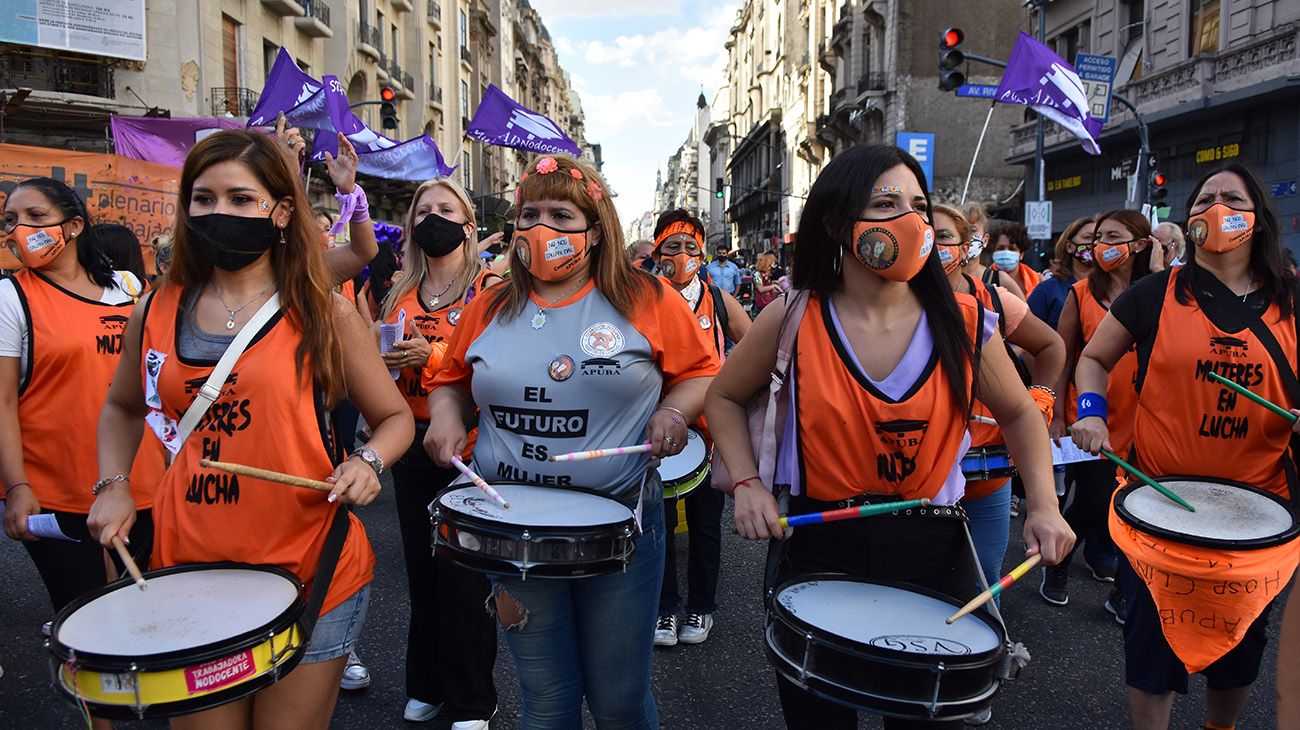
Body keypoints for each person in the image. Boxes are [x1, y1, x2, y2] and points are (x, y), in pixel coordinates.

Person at [707, 145, 1074, 730]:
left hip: (931, 547)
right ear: (837, 225)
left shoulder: (964, 320)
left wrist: (1045, 508)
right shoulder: (793, 315)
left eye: (918, 205)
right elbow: (722, 395)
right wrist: (749, 484)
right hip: (819, 541)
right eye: (885, 203)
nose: (911, 220)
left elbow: (1020, 414)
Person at [88, 129, 414, 729]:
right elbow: (122, 407)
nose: (220, 213)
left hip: (311, 566)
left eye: (241, 199)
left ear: (281, 211)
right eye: (203, 198)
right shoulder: (155, 307)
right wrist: (111, 483)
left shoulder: (325, 311)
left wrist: (368, 465)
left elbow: (395, 419)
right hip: (189, 567)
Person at [425, 154, 718, 729]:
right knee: (546, 699)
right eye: (529, 212)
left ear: (596, 225)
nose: (542, 228)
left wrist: (674, 411)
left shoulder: (647, 298)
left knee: (618, 702)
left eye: (561, 213)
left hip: (620, 526)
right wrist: (444, 418)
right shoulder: (488, 304)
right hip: (511, 529)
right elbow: (450, 382)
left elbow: (703, 373)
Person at [1073, 163, 1297, 730]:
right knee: (1150, 647)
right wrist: (1092, 414)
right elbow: (1094, 360)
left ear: (1259, 219)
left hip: (1261, 514)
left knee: (1243, 644)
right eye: (1203, 200)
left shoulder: (1293, 299)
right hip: (1156, 503)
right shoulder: (1153, 295)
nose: (1214, 209)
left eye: (1231, 198)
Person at [0, 179, 165, 694]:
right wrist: (17, 487)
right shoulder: (10, 296)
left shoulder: (128, 288)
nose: (17, 230)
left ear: (72, 227)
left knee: (150, 618)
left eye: (32, 216)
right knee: (87, 626)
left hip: (145, 483)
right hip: (58, 489)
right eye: (9, 220)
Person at [378, 177, 502, 727]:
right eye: (423, 209)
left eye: (445, 208)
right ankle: (425, 681)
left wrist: (432, 356)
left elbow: (494, 368)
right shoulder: (397, 290)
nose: (433, 216)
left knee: (466, 580)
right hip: (411, 449)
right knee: (422, 572)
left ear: (468, 225)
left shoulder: (490, 288)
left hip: (469, 453)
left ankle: (473, 697)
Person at [933, 204, 1065, 602]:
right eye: (928, 234)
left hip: (986, 471)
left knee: (982, 584)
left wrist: (1040, 398)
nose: (935, 245)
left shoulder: (993, 299)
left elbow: (1051, 346)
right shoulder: (889, 306)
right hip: (921, 479)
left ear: (968, 246)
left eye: (945, 237)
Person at [1044, 210, 1161, 616]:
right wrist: (1058, 414)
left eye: (1114, 236)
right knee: (1094, 501)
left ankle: (1123, 593)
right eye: (1097, 237)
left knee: (1137, 511)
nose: (1101, 245)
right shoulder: (1080, 293)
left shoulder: (1159, 294)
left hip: (1144, 423)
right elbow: (1062, 358)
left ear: (1142, 245)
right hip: (1091, 421)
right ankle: (1057, 560)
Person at [648, 209, 749, 649]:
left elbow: (757, 346)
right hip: (656, 433)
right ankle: (665, 608)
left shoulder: (719, 302)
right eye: (673, 246)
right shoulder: (641, 297)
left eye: (692, 247)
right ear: (656, 251)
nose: (683, 255)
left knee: (707, 526)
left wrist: (733, 386)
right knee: (661, 522)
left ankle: (701, 607)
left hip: (710, 434)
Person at [1027, 216, 1096, 331]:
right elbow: (1027, 334)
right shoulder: (1048, 290)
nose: (1094, 243)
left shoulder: (1112, 288)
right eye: (1088, 237)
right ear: (1069, 246)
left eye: (1098, 238)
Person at [988, 220, 1041, 297]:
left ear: (1021, 255)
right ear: (993, 252)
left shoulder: (1037, 280)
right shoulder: (984, 279)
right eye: (1000, 248)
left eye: (1012, 249)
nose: (1006, 252)